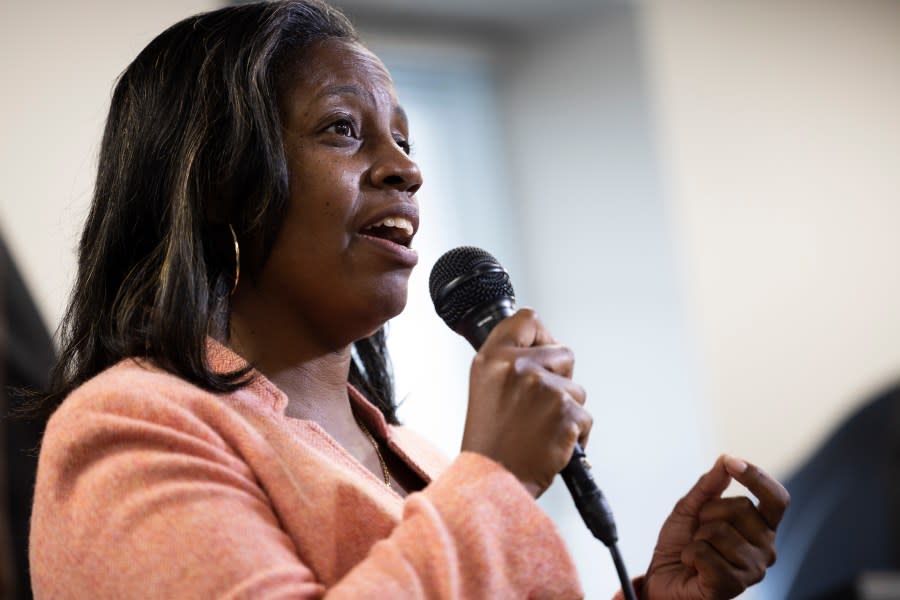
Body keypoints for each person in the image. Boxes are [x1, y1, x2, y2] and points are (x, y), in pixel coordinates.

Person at [28, 1, 789, 598]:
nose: (405, 171)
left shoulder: (416, 458)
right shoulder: (131, 429)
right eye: (342, 130)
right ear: (220, 185)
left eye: (406, 141)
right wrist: (498, 478)